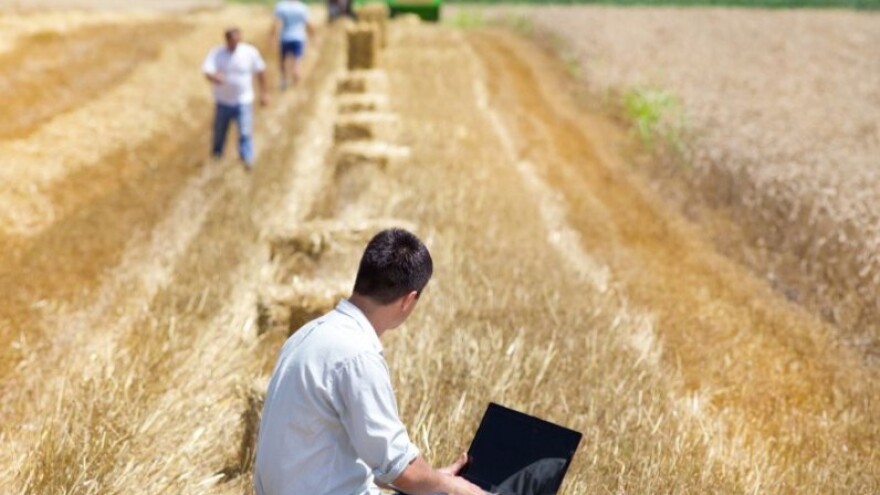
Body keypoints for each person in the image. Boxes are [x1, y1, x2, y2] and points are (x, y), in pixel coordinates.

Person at [254, 228, 485, 495]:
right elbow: (402, 470)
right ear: (409, 300)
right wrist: (455, 488)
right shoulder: (358, 356)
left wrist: (434, 479)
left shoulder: (307, 335)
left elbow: (329, 460)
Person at [202, 27, 269, 170]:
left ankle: (247, 158)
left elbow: (261, 71)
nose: (234, 44)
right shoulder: (217, 53)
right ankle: (216, 157)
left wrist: (264, 93)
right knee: (219, 132)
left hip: (243, 100)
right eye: (232, 41)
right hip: (223, 102)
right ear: (226, 41)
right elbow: (207, 71)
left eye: (237, 41)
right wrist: (214, 77)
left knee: (245, 131)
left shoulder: (249, 52)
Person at [271, 0, 314, 89]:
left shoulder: (281, 6)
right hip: (298, 37)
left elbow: (275, 23)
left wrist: (272, 36)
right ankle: (297, 86)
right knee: (297, 63)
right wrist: (313, 35)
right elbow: (308, 23)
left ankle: (284, 80)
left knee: (283, 61)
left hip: (285, 37)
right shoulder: (302, 7)